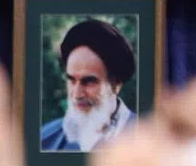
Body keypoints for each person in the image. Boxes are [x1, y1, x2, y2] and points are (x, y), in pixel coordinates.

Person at [40, 18, 137, 152]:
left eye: (89, 81)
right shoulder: (45, 139)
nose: (77, 94)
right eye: (71, 80)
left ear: (116, 84)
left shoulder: (146, 138)